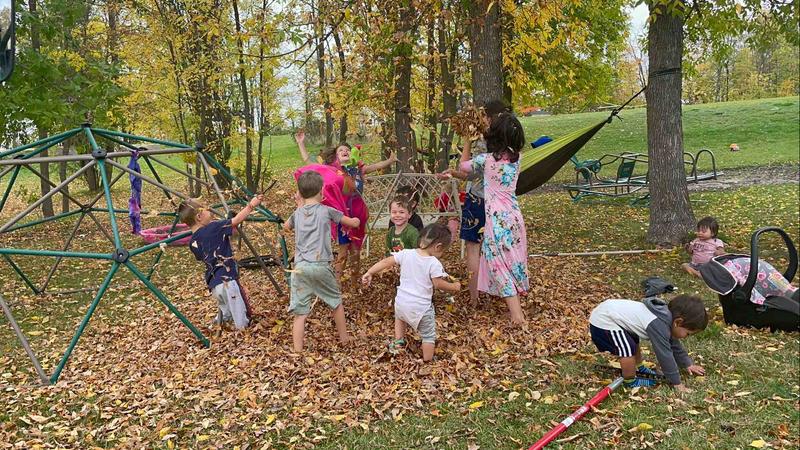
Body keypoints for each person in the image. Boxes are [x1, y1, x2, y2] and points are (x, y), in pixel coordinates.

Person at [295, 130, 397, 288]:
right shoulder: (331, 171)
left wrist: (390, 160)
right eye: (341, 150)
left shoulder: (357, 170)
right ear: (335, 156)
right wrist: (301, 143)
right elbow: (309, 162)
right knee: (343, 251)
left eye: (347, 150)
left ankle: (355, 283)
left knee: (355, 252)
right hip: (342, 216)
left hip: (358, 215)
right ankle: (336, 284)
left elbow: (376, 166)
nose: (345, 151)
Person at [458, 113, 529, 324]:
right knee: (512, 259)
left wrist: (467, 140)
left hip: (496, 220)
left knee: (498, 263)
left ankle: (517, 315)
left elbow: (463, 166)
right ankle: (515, 305)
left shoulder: (486, 160)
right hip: (514, 217)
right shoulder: (518, 158)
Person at [440, 99, 511, 306]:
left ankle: (474, 297)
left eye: (484, 116)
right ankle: (503, 293)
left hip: (478, 199)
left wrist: (467, 140)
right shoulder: (510, 142)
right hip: (501, 202)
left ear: (489, 117)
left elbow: (467, 171)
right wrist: (454, 173)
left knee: (473, 247)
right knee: (498, 247)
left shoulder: (482, 142)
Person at [283, 170, 360, 352]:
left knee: (300, 313)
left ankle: (297, 350)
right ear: (321, 191)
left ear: (301, 193)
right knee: (336, 303)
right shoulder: (327, 211)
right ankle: (344, 339)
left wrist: (299, 205)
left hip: (300, 268)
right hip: (321, 266)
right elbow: (352, 223)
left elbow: (286, 227)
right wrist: (357, 220)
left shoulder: (297, 214)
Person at [362, 223, 461, 361]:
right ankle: (428, 360)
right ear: (438, 247)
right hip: (421, 307)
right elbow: (438, 284)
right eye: (443, 250)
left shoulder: (406, 253)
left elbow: (385, 262)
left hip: (401, 302)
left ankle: (398, 343)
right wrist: (454, 286)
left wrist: (369, 272)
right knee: (428, 335)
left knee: (400, 319)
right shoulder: (433, 263)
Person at [589, 295, 708, 391]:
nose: (686, 337)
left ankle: (639, 368)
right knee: (627, 349)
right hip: (604, 321)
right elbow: (665, 354)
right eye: (688, 333)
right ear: (678, 322)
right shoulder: (658, 324)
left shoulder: (665, 318)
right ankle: (630, 380)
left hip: (610, 314)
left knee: (633, 341)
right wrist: (676, 382)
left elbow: (674, 344)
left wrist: (687, 364)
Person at [178, 195, 263, 330]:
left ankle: (223, 322)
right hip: (227, 280)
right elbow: (236, 220)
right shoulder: (214, 227)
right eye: (207, 210)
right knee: (238, 311)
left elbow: (201, 256)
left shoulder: (192, 242)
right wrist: (252, 205)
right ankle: (242, 331)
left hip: (214, 284)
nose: (210, 211)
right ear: (199, 217)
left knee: (226, 308)